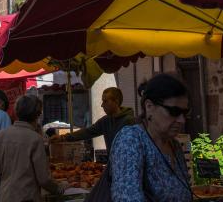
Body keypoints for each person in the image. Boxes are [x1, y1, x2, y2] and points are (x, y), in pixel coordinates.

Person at [110, 73, 192, 201]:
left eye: (185, 113)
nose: (182, 120)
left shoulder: (174, 146)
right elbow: (127, 197)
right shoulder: (132, 140)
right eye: (174, 112)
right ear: (149, 107)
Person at [0, 95, 68, 202]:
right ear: (37, 115)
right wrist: (59, 188)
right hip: (26, 197)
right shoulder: (35, 139)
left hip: (5, 196)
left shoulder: (2, 135)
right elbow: (44, 179)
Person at [57, 87, 134, 150]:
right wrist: (63, 137)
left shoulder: (129, 122)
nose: (102, 105)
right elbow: (88, 132)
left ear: (116, 102)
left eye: (105, 101)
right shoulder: (105, 121)